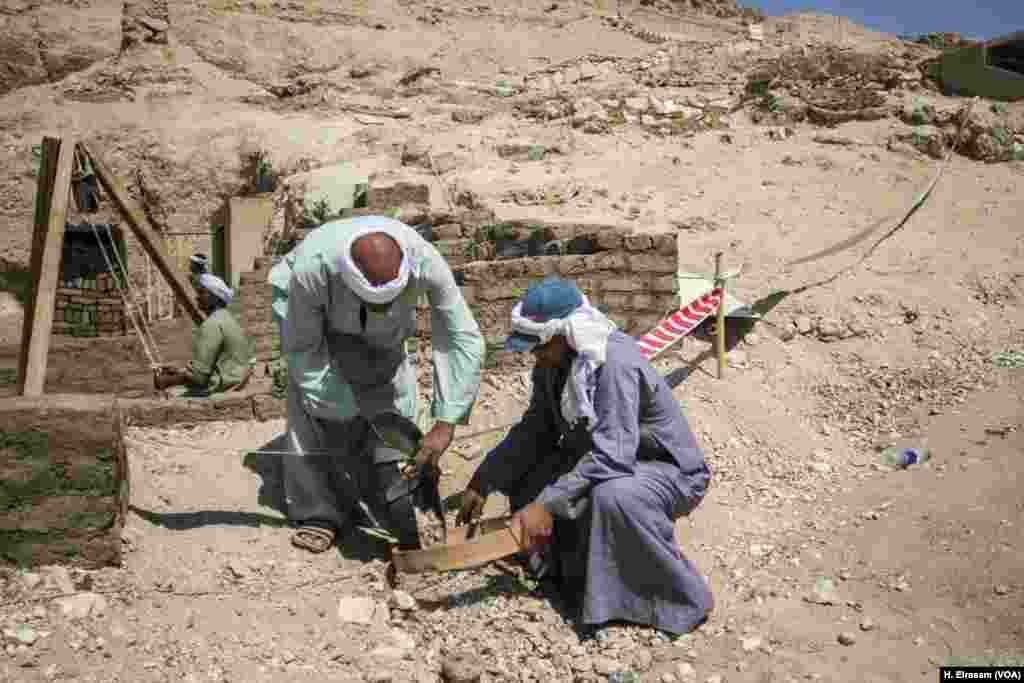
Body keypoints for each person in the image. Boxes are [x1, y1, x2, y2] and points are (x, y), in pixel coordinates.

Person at [455, 276, 714, 636]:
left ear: (566, 334)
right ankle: (563, 571)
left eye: (540, 346)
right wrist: (485, 478)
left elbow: (613, 457)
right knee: (533, 473)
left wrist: (548, 504)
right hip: (610, 458)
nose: (535, 354)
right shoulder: (553, 365)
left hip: (663, 469)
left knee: (611, 496)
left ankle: (668, 602)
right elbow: (536, 428)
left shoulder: (614, 364)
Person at [269, 215, 485, 554]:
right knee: (311, 414)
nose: (378, 307)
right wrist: (339, 410)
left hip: (389, 339)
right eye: (372, 302)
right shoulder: (313, 269)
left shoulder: (425, 259)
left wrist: (446, 424)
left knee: (397, 406)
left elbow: (463, 338)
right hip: (319, 323)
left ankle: (403, 499)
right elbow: (303, 350)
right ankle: (318, 512)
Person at [154, 273, 253, 397]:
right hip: (237, 382)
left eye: (201, 293)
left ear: (214, 298)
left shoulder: (212, 324)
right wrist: (179, 370)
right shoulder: (227, 318)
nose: (197, 297)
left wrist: (165, 381)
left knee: (169, 395)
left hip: (224, 387)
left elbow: (199, 378)